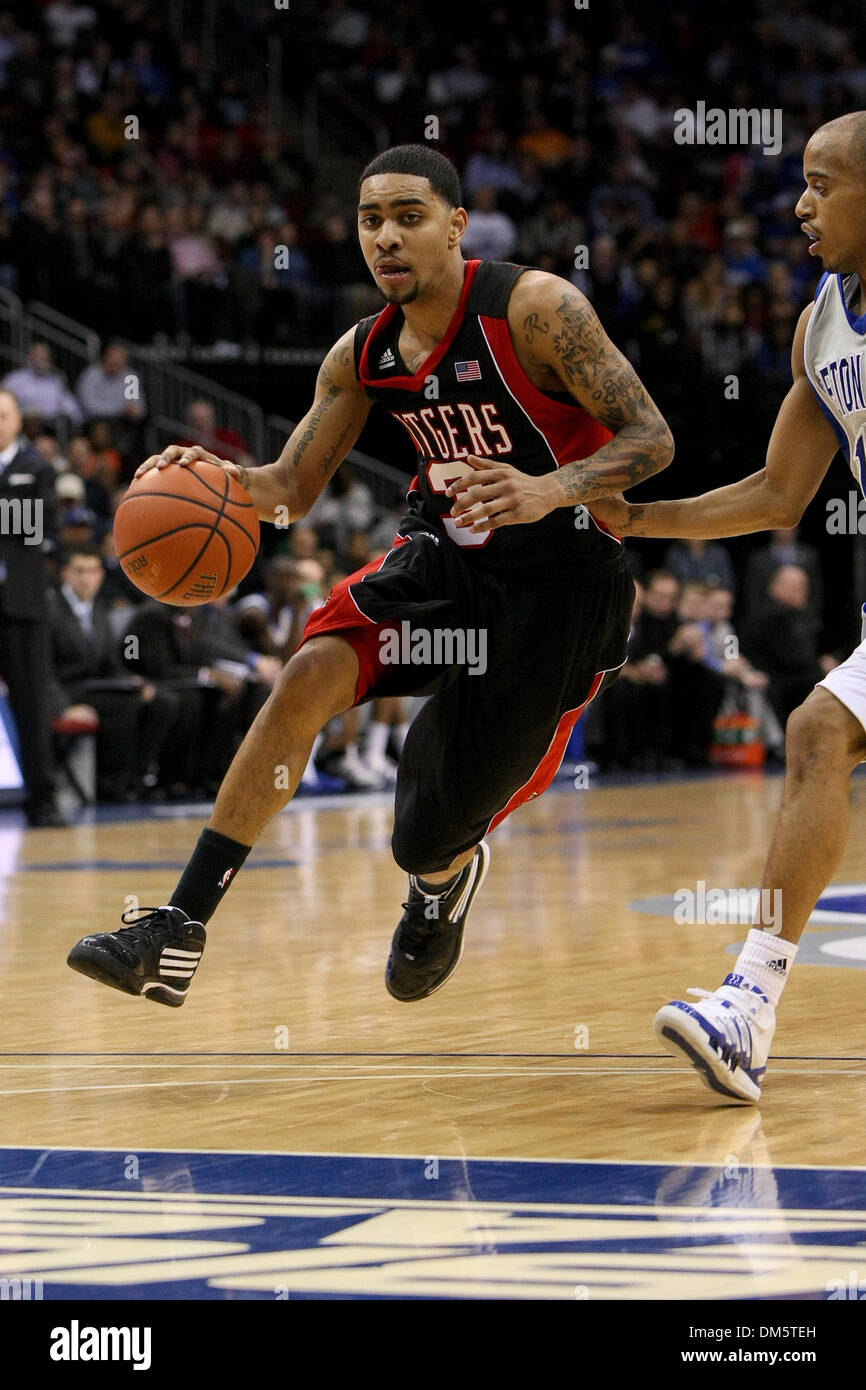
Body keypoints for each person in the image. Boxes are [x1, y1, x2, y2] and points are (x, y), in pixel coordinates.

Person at [67, 143, 672, 1008]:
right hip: (448, 563)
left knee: (424, 835)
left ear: (457, 227)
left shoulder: (537, 309)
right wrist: (215, 479)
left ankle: (439, 886)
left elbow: (652, 439)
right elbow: (289, 493)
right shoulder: (364, 354)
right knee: (309, 670)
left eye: (409, 218)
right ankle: (178, 925)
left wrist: (550, 489)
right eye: (370, 221)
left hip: (564, 587)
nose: (386, 238)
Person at [589, 111, 866, 1103]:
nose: (798, 204)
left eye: (822, 183)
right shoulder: (819, 326)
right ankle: (746, 1007)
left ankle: (749, 1002)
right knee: (815, 730)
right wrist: (636, 515)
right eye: (800, 181)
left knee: (815, 727)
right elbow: (775, 494)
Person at [0, 388, 62, 825]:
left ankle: (43, 799)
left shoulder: (37, 467)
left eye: (2, 415)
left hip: (21, 605)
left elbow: (34, 525)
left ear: (18, 420)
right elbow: (15, 517)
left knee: (31, 703)